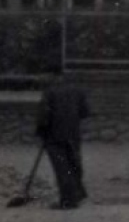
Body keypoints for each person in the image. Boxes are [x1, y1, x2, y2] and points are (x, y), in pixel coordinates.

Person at [36, 68, 90, 210]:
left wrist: (41, 132)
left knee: (62, 168)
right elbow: (85, 112)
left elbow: (43, 115)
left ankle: (68, 200)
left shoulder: (49, 92)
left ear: (54, 75)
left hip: (54, 135)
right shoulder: (78, 90)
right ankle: (78, 193)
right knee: (74, 163)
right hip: (73, 133)